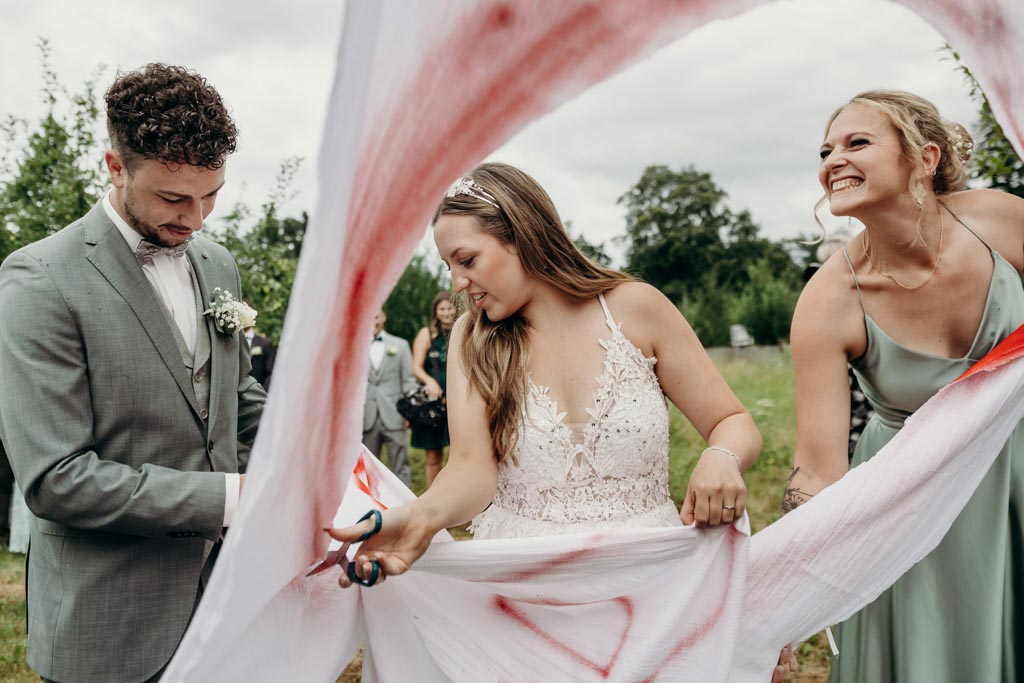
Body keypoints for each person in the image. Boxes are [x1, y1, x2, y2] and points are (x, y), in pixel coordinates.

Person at [331, 162, 761, 584]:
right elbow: (470, 468)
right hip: (525, 582)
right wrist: (417, 518)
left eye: (467, 260)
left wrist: (721, 457)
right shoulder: (471, 338)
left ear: (522, 236)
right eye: (449, 266)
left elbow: (732, 422)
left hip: (647, 578)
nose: (457, 283)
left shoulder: (637, 307)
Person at [0, 63, 266, 683]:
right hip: (110, 624)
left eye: (212, 195)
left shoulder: (218, 263)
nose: (196, 219)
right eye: (174, 198)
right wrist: (232, 498)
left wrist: (326, 452)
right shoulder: (39, 281)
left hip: (225, 610)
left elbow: (238, 398)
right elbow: (57, 479)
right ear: (115, 167)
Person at [781, 90, 1024, 682]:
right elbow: (816, 471)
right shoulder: (828, 300)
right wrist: (780, 604)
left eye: (856, 142)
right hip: (914, 509)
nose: (832, 159)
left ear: (925, 157)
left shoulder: (999, 219)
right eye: (825, 150)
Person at [363, 309, 416, 486]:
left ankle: (406, 506)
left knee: (401, 465)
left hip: (394, 414)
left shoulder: (400, 345)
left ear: (384, 317)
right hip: (366, 417)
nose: (374, 321)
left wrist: (408, 411)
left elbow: (408, 380)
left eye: (377, 316)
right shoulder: (356, 347)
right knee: (368, 468)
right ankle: (371, 508)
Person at [411, 291, 456, 488]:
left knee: (459, 456)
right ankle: (432, 496)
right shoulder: (426, 334)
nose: (446, 313)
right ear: (436, 312)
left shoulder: (463, 330)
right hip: (433, 404)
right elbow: (416, 367)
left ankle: (457, 501)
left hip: (457, 404)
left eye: (449, 308)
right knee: (432, 455)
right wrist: (430, 381)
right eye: (442, 309)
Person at [244, 326, 276, 390]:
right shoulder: (228, 342)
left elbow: (271, 372)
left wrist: (263, 392)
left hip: (257, 392)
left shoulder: (265, 343)